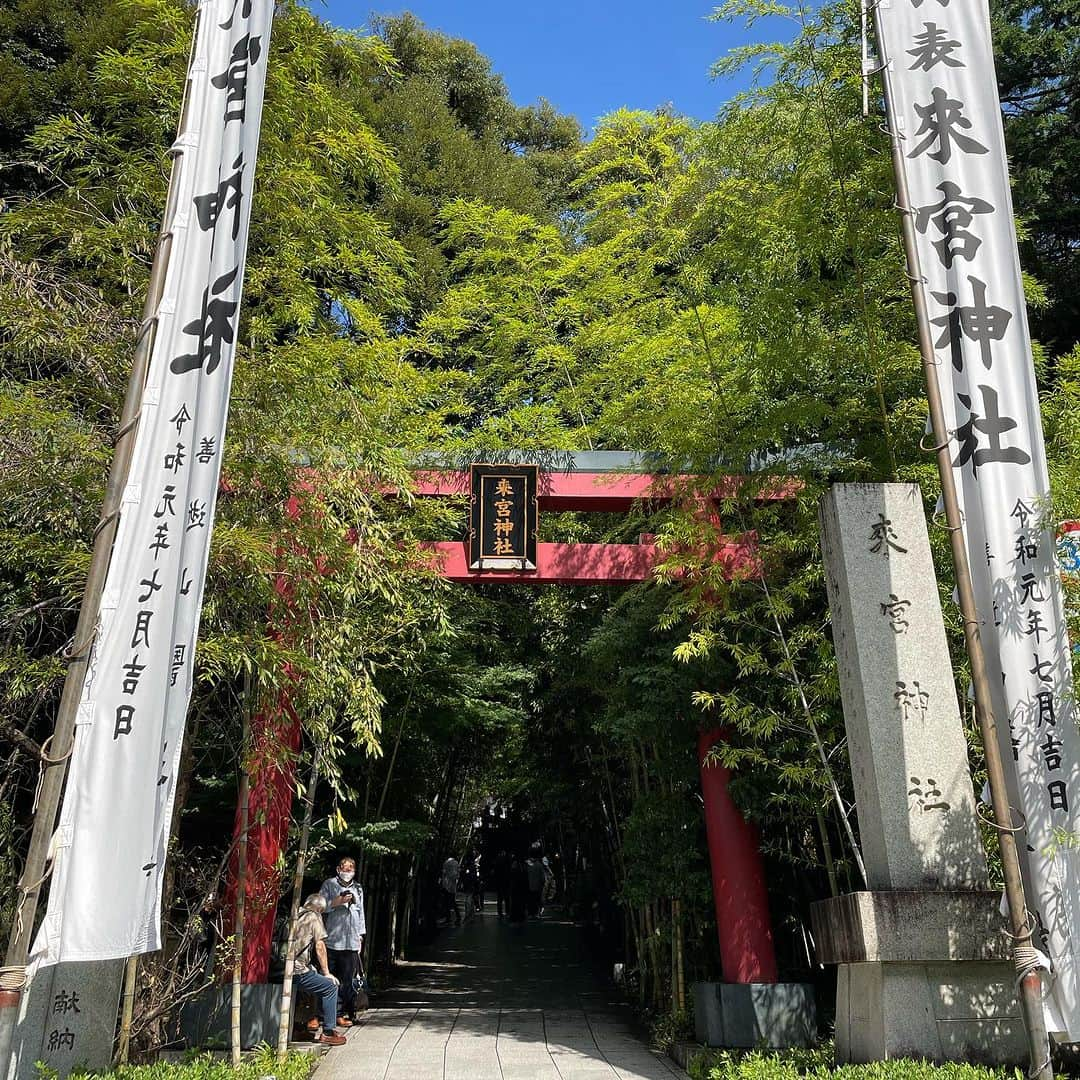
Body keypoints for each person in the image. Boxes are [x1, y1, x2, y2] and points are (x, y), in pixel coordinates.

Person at [290, 894, 346, 1046]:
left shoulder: (294, 913)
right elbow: (320, 946)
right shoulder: (313, 917)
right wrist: (327, 972)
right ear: (319, 909)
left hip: (279, 968)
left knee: (312, 978)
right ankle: (328, 1032)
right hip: (296, 971)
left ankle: (299, 1027)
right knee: (330, 987)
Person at [319, 856, 365, 1026]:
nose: (348, 872)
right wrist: (336, 902)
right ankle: (323, 1015)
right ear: (338, 869)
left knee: (347, 981)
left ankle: (341, 1013)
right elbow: (319, 907)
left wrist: (360, 935)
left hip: (351, 940)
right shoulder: (329, 884)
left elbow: (361, 913)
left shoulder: (358, 888)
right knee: (329, 978)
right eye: (345, 869)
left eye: (351, 869)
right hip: (332, 939)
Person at [525, 844, 546, 919]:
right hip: (537, 887)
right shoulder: (539, 865)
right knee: (536, 900)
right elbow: (543, 878)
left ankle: (530, 913)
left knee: (530, 901)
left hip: (528, 887)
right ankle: (536, 913)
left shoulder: (526, 864)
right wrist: (542, 885)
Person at [440, 855, 461, 925]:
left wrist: (443, 883)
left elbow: (443, 873)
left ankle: (449, 918)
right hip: (453, 885)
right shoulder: (456, 863)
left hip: (447, 885)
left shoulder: (446, 863)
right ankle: (457, 917)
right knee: (452, 901)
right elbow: (458, 875)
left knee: (447, 902)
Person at [493, 849, 511, 918]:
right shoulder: (507, 860)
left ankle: (500, 912)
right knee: (507, 898)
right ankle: (507, 912)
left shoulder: (498, 860)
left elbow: (495, 871)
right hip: (506, 881)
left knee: (500, 898)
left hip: (499, 881)